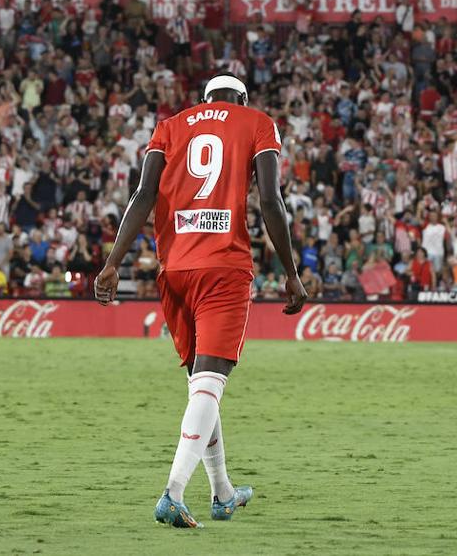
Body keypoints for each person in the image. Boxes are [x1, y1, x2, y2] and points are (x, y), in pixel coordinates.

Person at [93, 74, 307, 529]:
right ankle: (172, 492)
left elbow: (143, 195)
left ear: (204, 99)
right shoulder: (258, 123)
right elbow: (270, 199)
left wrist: (113, 262)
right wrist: (290, 273)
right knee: (210, 380)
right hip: (223, 265)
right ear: (242, 99)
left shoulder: (169, 126)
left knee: (201, 385)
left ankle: (223, 492)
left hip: (174, 269)